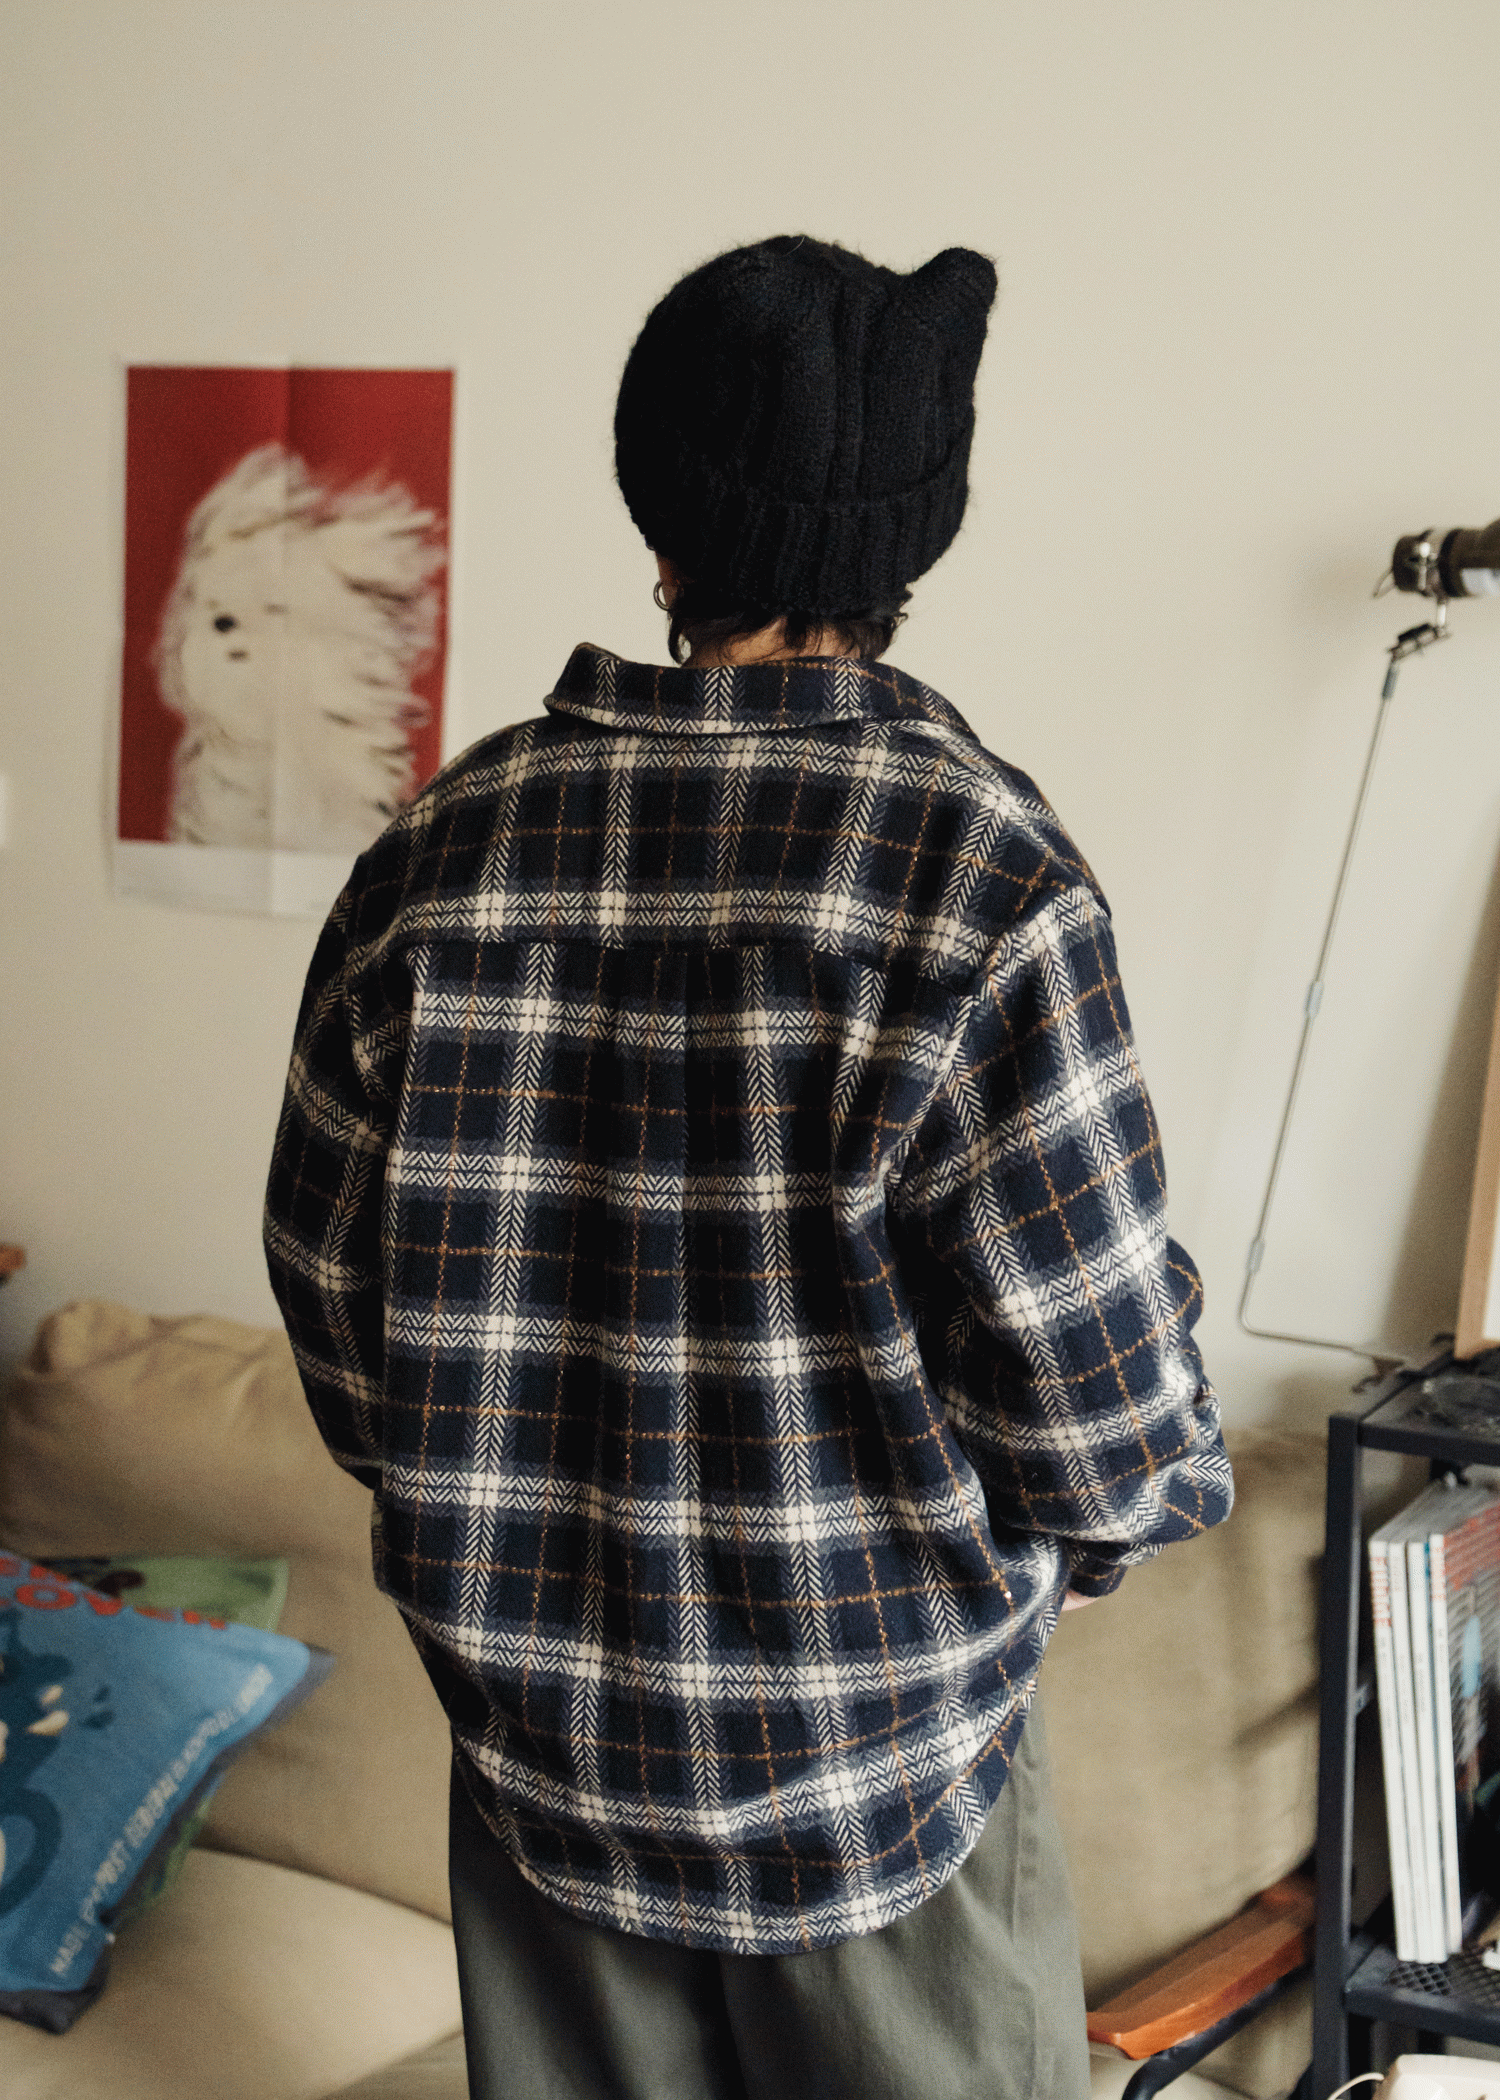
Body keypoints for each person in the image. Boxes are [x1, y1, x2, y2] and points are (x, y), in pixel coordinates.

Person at [264, 233, 1233, 2100]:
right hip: (887, 1784)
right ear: (912, 540)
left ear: (664, 521)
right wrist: (1084, 1534)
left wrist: (508, 1526)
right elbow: (1105, 1423)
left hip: (542, 1774)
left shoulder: (439, 857)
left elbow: (337, 1312)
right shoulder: (981, 875)